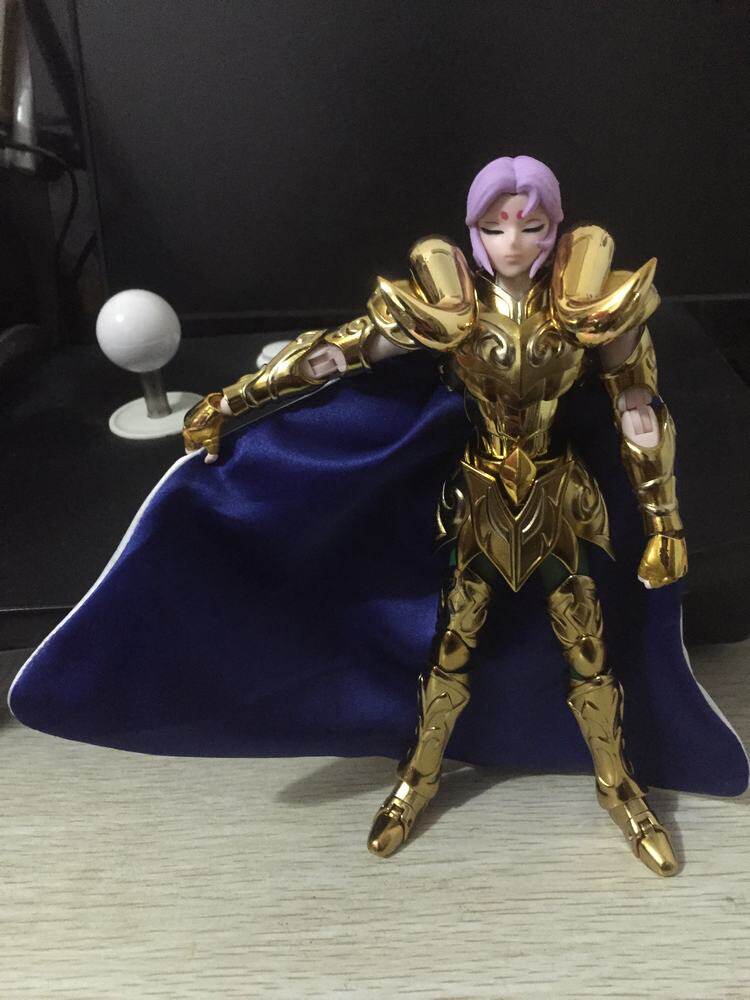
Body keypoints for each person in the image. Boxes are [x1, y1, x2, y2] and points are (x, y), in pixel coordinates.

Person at [181, 155, 687, 875]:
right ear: (474, 230)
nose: (513, 243)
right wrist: (231, 401)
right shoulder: (453, 309)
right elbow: (334, 355)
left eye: (531, 226)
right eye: (496, 227)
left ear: (555, 228)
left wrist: (664, 522)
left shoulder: (591, 308)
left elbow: (638, 408)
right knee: (451, 648)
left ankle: (620, 787)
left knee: (589, 650)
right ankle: (417, 779)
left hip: (556, 495)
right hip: (479, 496)